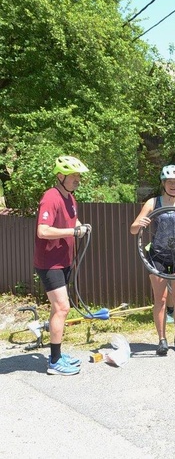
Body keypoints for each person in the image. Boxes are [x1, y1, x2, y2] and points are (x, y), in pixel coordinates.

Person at [34, 156, 91, 376]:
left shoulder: (70, 198)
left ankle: (56, 354)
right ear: (60, 176)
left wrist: (81, 226)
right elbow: (43, 230)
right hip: (50, 264)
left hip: (64, 261)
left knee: (57, 309)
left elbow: (72, 221)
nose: (77, 179)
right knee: (62, 308)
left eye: (78, 176)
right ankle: (55, 362)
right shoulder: (51, 197)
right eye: (73, 176)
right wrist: (73, 231)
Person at [130, 164, 175, 356]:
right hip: (157, 254)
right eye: (170, 182)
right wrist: (140, 223)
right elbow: (133, 229)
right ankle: (162, 340)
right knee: (161, 299)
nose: (173, 185)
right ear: (163, 183)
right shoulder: (153, 203)